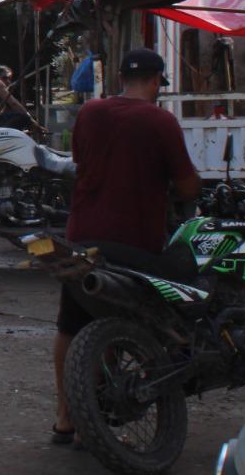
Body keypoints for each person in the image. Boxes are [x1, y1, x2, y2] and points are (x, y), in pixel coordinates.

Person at [50, 47, 201, 446]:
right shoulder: (161, 121)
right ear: (155, 82)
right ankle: (97, 419)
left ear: (120, 77)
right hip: (134, 242)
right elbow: (187, 185)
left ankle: (67, 418)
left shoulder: (90, 113)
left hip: (82, 237)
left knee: (71, 324)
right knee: (129, 323)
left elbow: (82, 162)